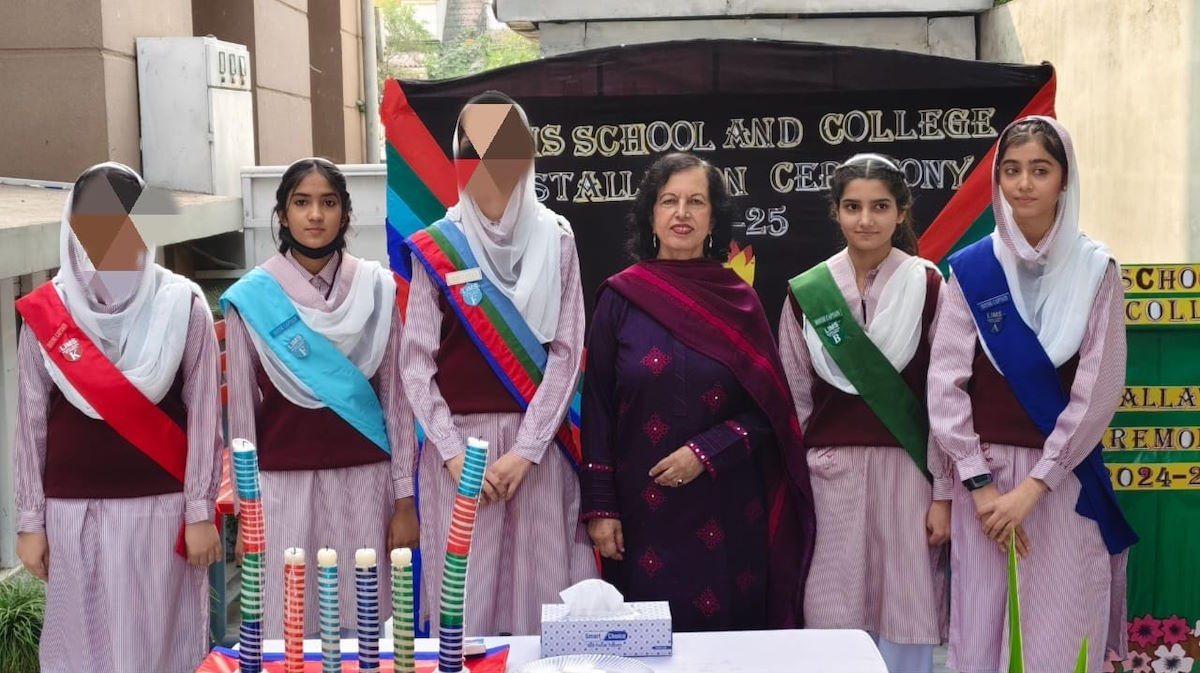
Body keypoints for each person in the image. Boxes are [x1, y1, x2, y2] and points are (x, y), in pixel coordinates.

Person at [929, 117, 1137, 672]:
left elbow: (1098, 390)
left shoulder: (1096, 270)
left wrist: (1034, 487)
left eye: (1040, 170)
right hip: (987, 486)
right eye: (1012, 170)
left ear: (1064, 180)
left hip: (1063, 484)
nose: (1023, 184)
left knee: (1060, 638)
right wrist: (980, 487)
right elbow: (945, 385)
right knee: (980, 635)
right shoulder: (972, 270)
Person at [581, 151, 815, 631]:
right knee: (646, 641)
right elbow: (598, 409)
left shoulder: (739, 300)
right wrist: (601, 508)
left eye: (696, 202)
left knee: (726, 645)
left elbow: (770, 411)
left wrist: (705, 452)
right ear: (651, 214)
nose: (682, 213)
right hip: (641, 511)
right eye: (669, 201)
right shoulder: (619, 297)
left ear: (714, 218)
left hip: (726, 506)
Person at [398, 91, 596, 636]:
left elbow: (567, 353)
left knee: (540, 598)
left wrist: (526, 451)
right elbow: (415, 364)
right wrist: (453, 453)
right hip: (458, 456)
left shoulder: (557, 239)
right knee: (464, 604)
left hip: (538, 451)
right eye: (474, 148)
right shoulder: (438, 246)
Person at [13, 162, 223, 673]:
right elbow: (30, 425)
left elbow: (204, 419)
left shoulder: (183, 305)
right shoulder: (46, 314)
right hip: (72, 516)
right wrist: (30, 523)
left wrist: (200, 513)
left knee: (162, 652)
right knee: (80, 656)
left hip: (163, 512)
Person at [221, 157, 419, 637]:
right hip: (282, 490)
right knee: (288, 627)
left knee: (365, 628)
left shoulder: (376, 290)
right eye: (302, 203)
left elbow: (397, 402)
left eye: (328, 203)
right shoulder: (251, 298)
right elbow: (242, 420)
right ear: (282, 214)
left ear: (345, 214)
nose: (315, 215)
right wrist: (248, 515)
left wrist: (404, 502)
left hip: (366, 484)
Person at [778, 154, 950, 672]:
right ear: (836, 212)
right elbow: (795, 398)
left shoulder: (929, 286)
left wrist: (944, 494)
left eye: (880, 207)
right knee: (832, 607)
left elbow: (945, 398)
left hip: (909, 473)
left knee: (905, 605)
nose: (866, 219)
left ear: (901, 213)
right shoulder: (808, 292)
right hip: (830, 476)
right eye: (853, 207)